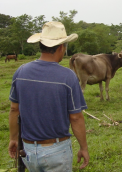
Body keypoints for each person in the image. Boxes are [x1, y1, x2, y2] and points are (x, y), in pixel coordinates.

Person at [8, 21, 89, 171]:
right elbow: (76, 117)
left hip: (29, 150)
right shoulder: (68, 76)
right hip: (57, 151)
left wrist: (13, 138)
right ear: (60, 47)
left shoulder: (21, 72)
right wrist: (83, 147)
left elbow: (14, 110)